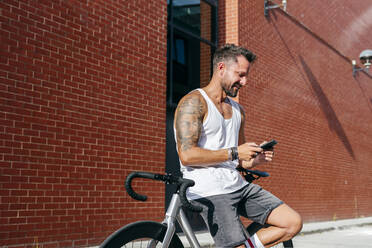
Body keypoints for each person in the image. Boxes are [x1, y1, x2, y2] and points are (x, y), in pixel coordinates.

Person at [173, 44, 302, 248]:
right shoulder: (194, 102)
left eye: (246, 75)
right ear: (221, 68)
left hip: (237, 185)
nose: (244, 81)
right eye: (240, 75)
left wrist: (253, 159)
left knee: (292, 223)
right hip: (208, 189)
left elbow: (239, 160)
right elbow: (187, 155)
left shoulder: (238, 111)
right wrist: (234, 153)